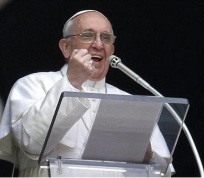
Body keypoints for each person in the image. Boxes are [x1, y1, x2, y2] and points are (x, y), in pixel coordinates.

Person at [0, 10, 172, 177]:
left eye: (105, 38)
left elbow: (162, 172)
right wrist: (73, 81)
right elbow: (31, 143)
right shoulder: (33, 84)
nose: (98, 44)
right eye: (88, 35)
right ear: (66, 47)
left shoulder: (129, 102)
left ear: (112, 49)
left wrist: (148, 157)